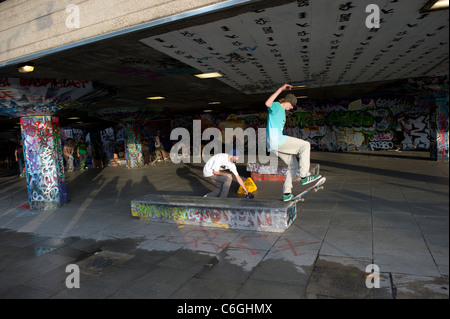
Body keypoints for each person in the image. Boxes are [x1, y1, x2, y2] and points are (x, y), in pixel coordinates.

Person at [265, 83, 321, 201]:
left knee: (293, 164)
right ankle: (304, 176)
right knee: (305, 145)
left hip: (273, 144)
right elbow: (267, 103)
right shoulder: (276, 106)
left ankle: (286, 193)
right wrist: (280, 89)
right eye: (292, 105)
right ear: (287, 101)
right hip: (277, 140)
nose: (292, 108)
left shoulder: (282, 113)